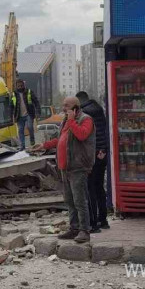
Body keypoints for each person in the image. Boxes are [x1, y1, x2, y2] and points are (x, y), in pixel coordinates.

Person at [30, 97, 95, 243]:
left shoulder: (86, 119)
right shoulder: (66, 121)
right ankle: (74, 229)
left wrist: (72, 120)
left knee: (80, 200)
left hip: (78, 166)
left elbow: (82, 135)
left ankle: (84, 230)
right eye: (63, 105)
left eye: (67, 106)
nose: (63, 108)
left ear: (75, 108)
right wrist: (44, 145)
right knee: (70, 201)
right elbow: (60, 139)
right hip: (65, 167)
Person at [76, 91, 110, 232]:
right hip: (102, 152)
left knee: (90, 189)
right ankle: (103, 220)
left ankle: (93, 223)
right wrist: (103, 149)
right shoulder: (98, 109)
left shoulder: (85, 114)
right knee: (99, 187)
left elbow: (85, 135)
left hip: (92, 154)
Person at [12, 79, 40, 148]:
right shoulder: (14, 94)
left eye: (21, 86)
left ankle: (32, 140)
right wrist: (11, 117)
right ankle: (22, 146)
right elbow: (11, 106)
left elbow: (36, 102)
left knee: (30, 126)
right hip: (19, 116)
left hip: (29, 114)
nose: (20, 87)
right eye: (18, 86)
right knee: (20, 130)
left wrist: (38, 112)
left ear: (24, 85)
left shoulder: (29, 92)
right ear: (16, 86)